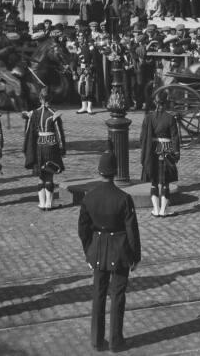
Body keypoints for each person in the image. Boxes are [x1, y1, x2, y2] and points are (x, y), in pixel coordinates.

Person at [78, 151, 141, 353]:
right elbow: (132, 230)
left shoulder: (90, 197)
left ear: (99, 172)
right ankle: (116, 340)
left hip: (97, 248)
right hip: (119, 250)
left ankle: (97, 340)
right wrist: (135, 256)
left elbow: (83, 228)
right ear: (115, 172)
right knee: (118, 296)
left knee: (98, 295)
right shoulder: (124, 198)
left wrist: (89, 251)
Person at [23, 88, 67, 211]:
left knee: (40, 176)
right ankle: (49, 203)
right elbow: (59, 133)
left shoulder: (34, 113)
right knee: (50, 176)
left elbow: (28, 131)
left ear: (40, 98)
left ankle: (41, 203)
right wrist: (62, 149)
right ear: (51, 98)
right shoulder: (54, 114)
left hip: (38, 146)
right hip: (51, 146)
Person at [139, 95, 181, 217]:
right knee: (165, 182)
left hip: (152, 151)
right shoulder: (170, 118)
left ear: (155, 104)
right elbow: (174, 137)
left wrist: (145, 150)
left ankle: (156, 210)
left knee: (153, 182)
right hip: (166, 150)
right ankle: (163, 210)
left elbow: (142, 138)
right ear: (165, 104)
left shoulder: (148, 118)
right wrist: (176, 153)